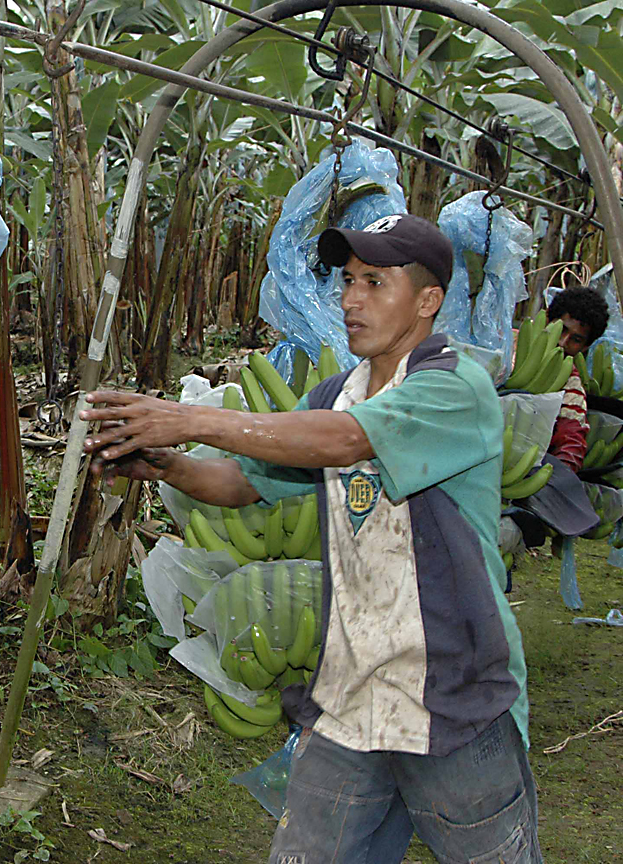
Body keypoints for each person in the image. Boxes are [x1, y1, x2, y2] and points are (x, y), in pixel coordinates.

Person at [79, 214, 540, 864]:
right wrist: (164, 464)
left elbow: (351, 441)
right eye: (348, 280)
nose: (351, 298)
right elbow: (244, 483)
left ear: (428, 300)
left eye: (375, 282)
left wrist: (189, 416)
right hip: (349, 690)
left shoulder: (452, 387)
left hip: (449, 693)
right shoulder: (338, 395)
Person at [540, 285, 610, 472]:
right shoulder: (507, 354)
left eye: (576, 339)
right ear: (547, 319)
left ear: (585, 348)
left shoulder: (571, 387)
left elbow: (571, 441)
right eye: (561, 329)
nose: (562, 342)